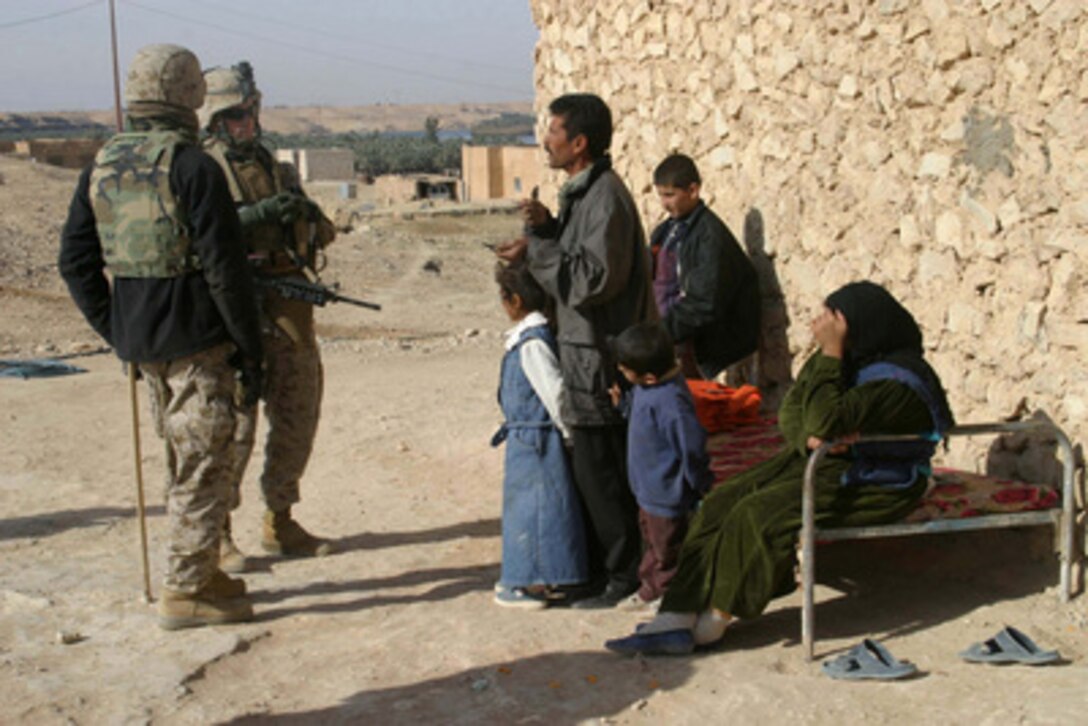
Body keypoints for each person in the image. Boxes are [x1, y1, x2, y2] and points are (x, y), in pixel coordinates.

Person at [605, 281, 954, 655]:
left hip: (877, 480)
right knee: (724, 500)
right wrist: (813, 433)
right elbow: (794, 412)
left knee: (758, 514)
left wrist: (830, 358)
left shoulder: (897, 382)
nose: (821, 326)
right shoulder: (850, 364)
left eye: (833, 322)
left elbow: (821, 416)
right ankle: (677, 614)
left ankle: (716, 618)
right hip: (822, 463)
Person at [58, 44, 264, 630]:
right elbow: (227, 271)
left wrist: (117, 328)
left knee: (182, 459)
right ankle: (184, 591)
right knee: (204, 463)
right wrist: (250, 349)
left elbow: (75, 263)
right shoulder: (194, 167)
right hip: (198, 343)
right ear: (190, 95)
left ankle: (201, 570)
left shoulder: (100, 165)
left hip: (144, 346)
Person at [496, 93, 657, 609]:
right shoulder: (582, 195)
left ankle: (623, 576)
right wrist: (542, 233)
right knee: (590, 473)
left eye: (555, 131)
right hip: (583, 354)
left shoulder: (605, 197)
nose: (547, 139)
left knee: (604, 476)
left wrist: (543, 240)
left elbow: (589, 282)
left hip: (599, 360)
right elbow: (571, 258)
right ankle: (594, 572)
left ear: (580, 143)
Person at [198, 61, 338, 568]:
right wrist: (255, 218)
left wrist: (304, 216)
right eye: (236, 114)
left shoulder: (273, 166)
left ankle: (280, 518)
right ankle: (219, 531)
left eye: (251, 111)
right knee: (236, 420)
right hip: (237, 308)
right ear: (215, 118)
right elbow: (203, 235)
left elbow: (319, 231)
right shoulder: (204, 169)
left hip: (290, 305)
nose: (247, 122)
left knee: (299, 409)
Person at [490, 261, 588, 609]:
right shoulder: (528, 337)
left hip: (537, 442)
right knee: (537, 508)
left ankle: (530, 582)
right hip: (527, 438)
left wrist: (566, 433)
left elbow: (554, 391)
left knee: (535, 512)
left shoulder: (532, 343)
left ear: (514, 301)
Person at [609, 322, 713, 610]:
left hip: (667, 493)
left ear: (650, 377)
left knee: (668, 549)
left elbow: (690, 446)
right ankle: (650, 589)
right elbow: (642, 416)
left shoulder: (671, 401)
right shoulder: (648, 388)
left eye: (625, 369)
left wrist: (700, 482)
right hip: (648, 490)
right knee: (653, 544)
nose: (621, 371)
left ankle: (670, 596)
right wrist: (624, 406)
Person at [650, 154, 760, 382]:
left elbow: (704, 303)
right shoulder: (666, 232)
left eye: (670, 195)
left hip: (707, 353)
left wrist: (659, 334)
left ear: (693, 191)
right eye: (661, 195)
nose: (664, 203)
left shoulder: (710, 237)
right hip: (674, 344)